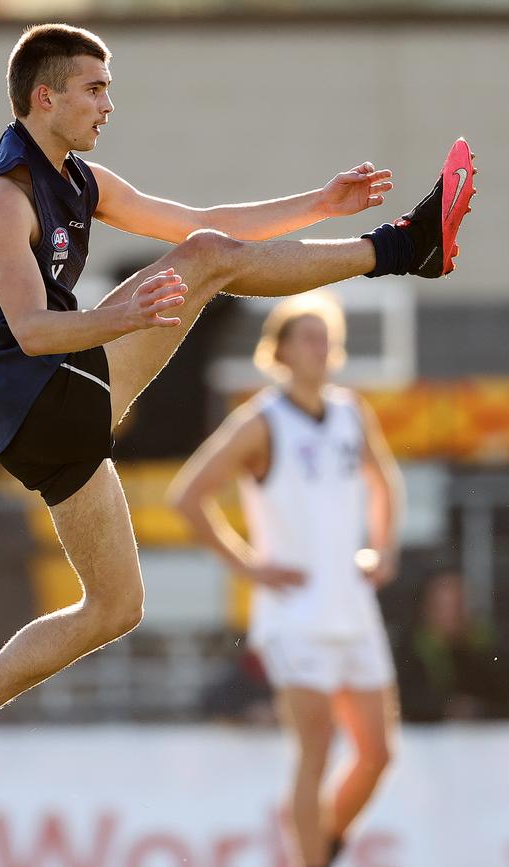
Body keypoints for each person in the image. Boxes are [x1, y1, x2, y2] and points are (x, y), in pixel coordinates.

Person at [0, 23, 474, 840]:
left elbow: (199, 218)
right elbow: (28, 328)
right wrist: (117, 312)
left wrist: (317, 201)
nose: (107, 103)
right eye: (93, 88)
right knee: (206, 259)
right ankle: (406, 248)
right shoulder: (1, 196)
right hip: (42, 391)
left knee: (116, 605)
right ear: (44, 96)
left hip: (52, 420)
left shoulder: (78, 179)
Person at [170, 293, 403, 867]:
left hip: (352, 606)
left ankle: (322, 848)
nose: (320, 349)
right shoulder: (261, 422)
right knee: (317, 748)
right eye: (307, 337)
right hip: (295, 613)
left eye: (326, 337)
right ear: (280, 351)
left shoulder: (351, 412)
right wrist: (248, 564)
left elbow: (384, 481)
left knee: (377, 753)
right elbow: (189, 496)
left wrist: (383, 548)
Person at [396, 568, 506, 723]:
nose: (453, 615)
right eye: (444, 606)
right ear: (427, 608)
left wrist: (479, 709)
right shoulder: (410, 649)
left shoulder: (487, 645)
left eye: (459, 606)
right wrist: (445, 708)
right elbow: (405, 700)